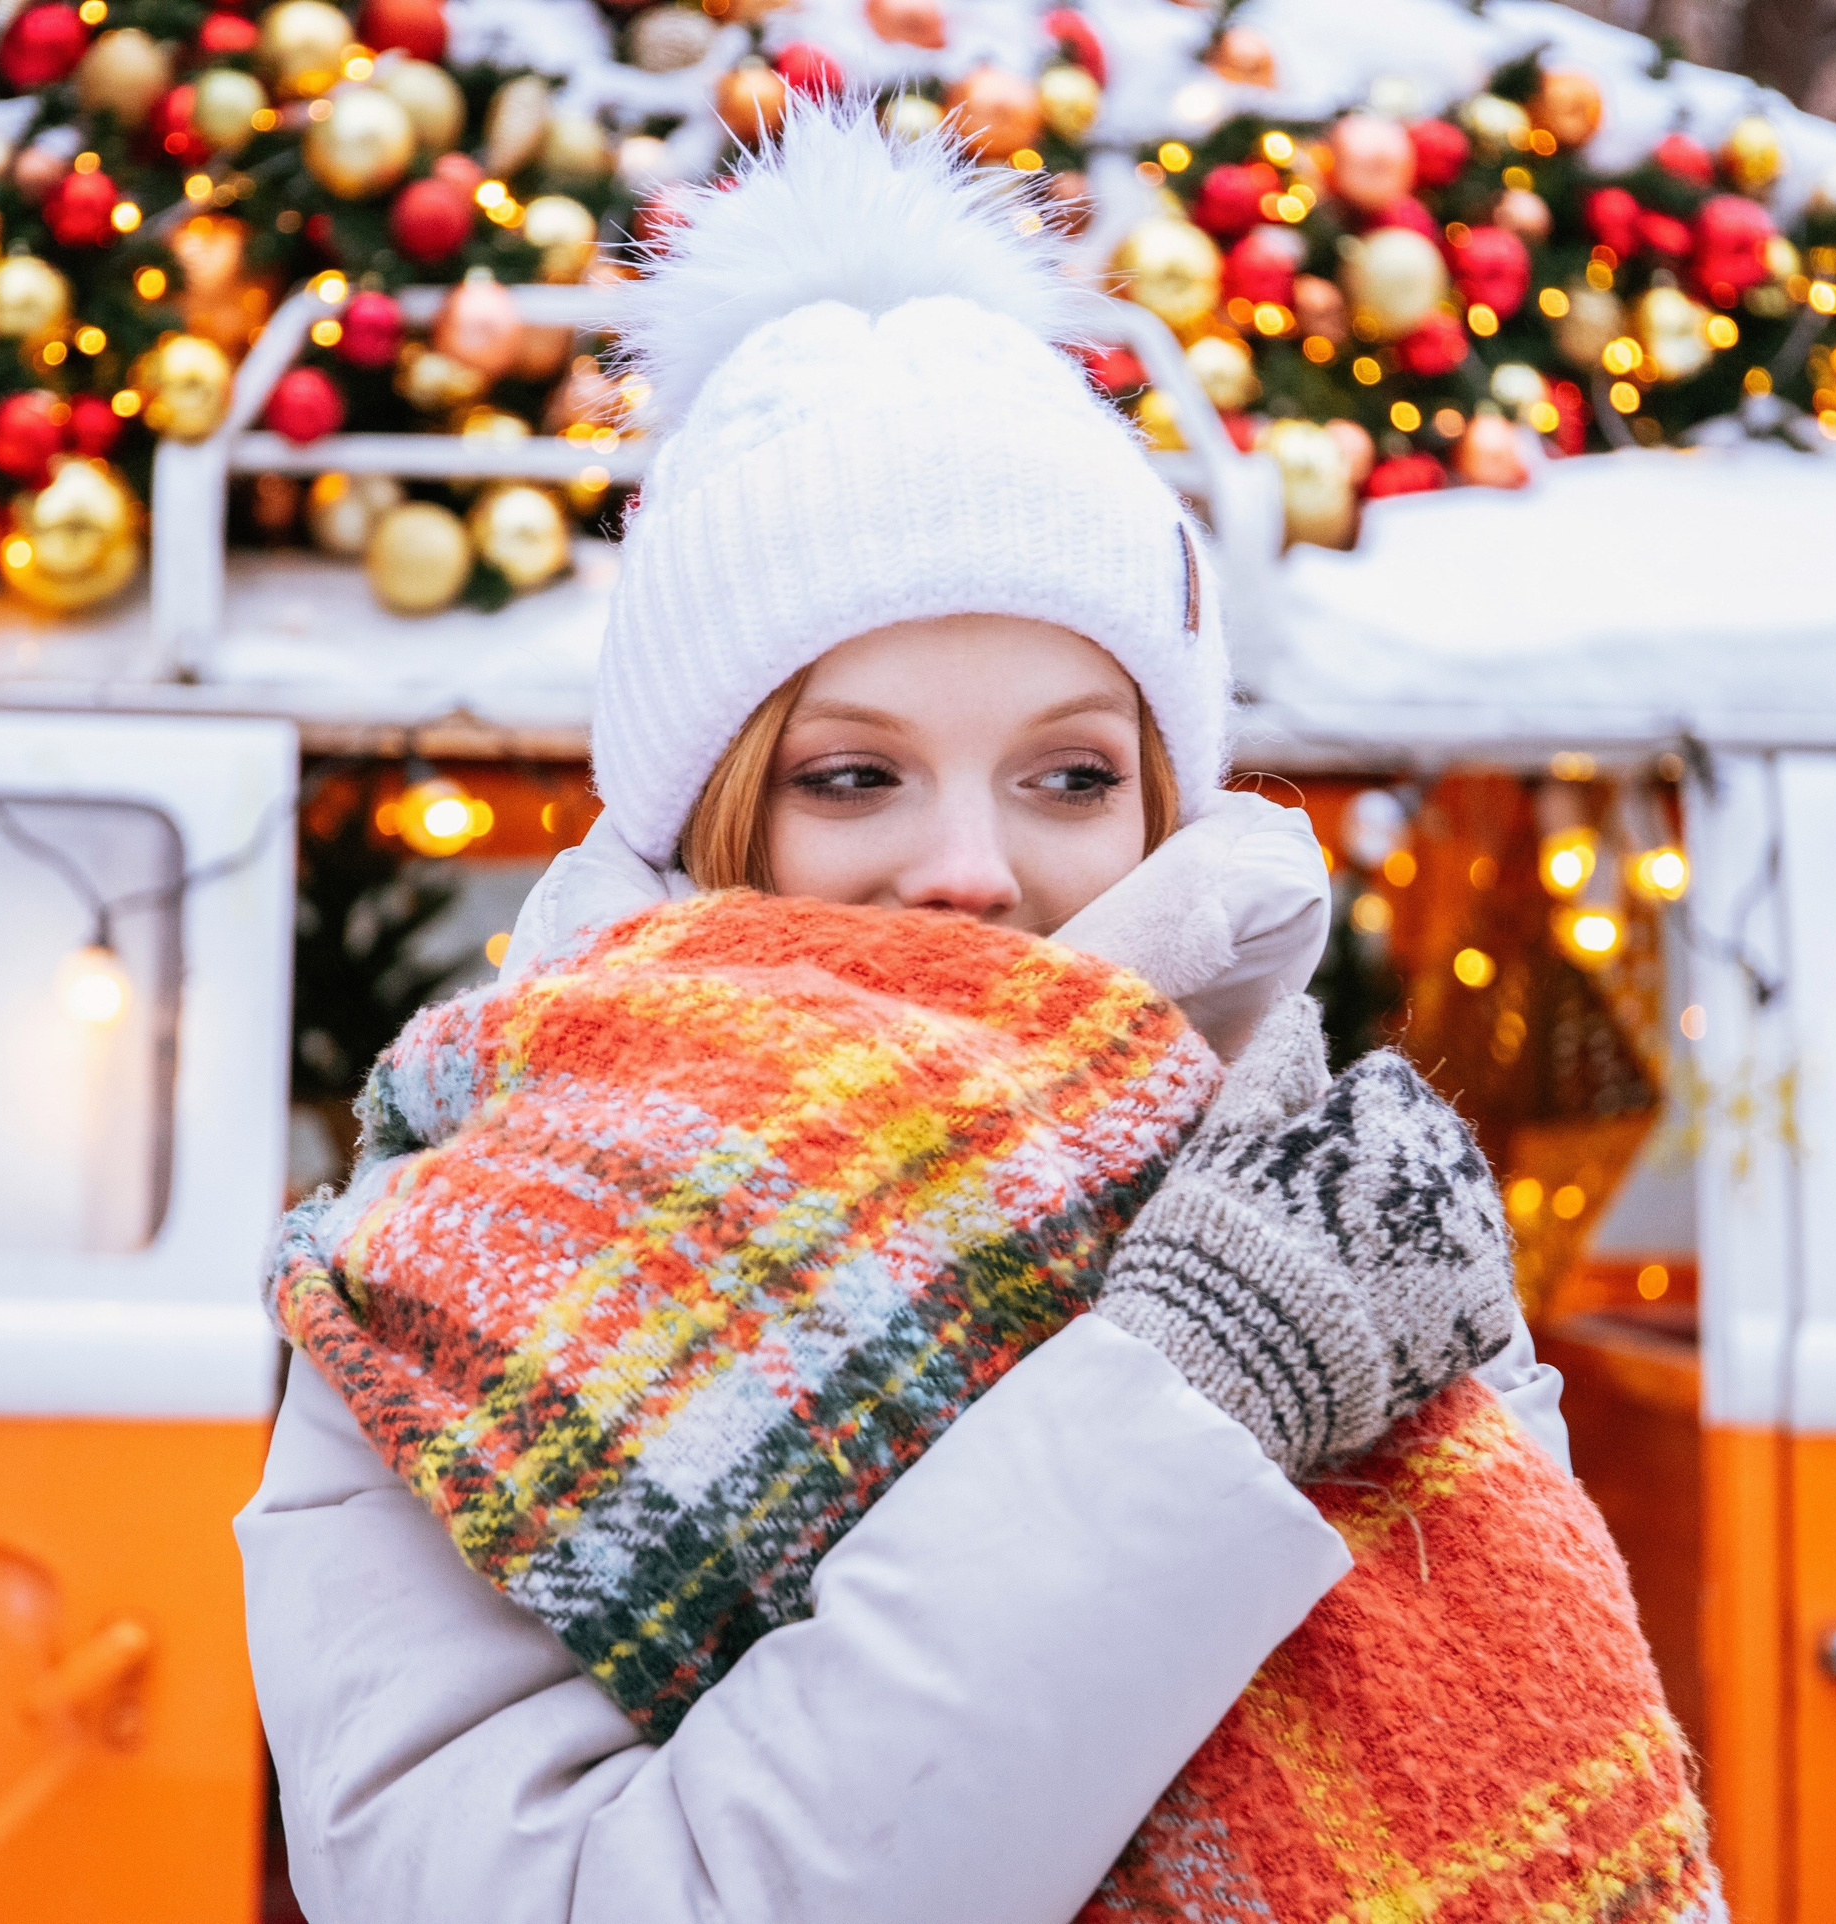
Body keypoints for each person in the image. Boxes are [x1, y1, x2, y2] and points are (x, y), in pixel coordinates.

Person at [238, 104, 1567, 1923]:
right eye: (856, 776)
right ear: (714, 806)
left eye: (1071, 775)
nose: (969, 867)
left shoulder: (1309, 1205)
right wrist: (1175, 1404)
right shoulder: (456, 1282)